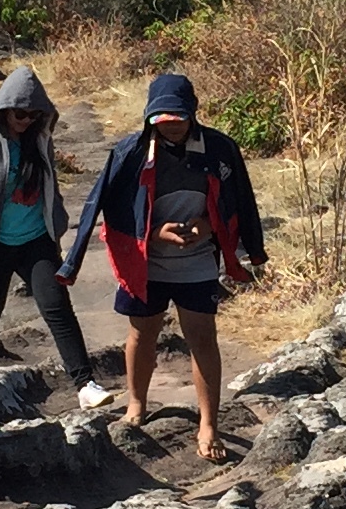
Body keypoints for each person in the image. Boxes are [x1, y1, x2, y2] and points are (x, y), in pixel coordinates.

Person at [60, 70, 264, 462]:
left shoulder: (219, 148)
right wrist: (153, 235)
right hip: (146, 262)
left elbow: (240, 200)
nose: (170, 127)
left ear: (192, 114)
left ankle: (208, 424)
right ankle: (136, 404)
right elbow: (104, 209)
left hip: (197, 259)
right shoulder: (129, 152)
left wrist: (215, 229)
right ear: (149, 118)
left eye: (178, 119)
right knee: (141, 334)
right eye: (161, 120)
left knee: (202, 337)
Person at [0, 65, 109, 411]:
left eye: (34, 114)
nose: (26, 120)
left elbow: (50, 186)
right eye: (20, 113)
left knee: (58, 308)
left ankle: (85, 383)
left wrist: (57, 223)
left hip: (36, 240)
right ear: (4, 108)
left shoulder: (40, 139)